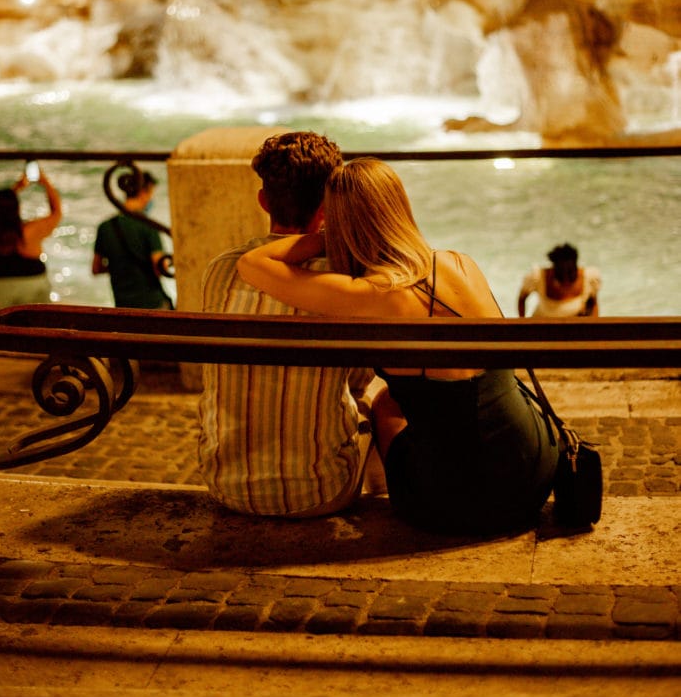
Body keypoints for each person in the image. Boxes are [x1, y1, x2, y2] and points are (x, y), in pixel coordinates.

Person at [237, 157, 559, 536]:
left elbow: (252, 264)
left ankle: (392, 494)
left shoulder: (369, 295)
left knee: (382, 407)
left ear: (338, 220)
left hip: (463, 502)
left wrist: (324, 238)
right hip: (533, 470)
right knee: (398, 398)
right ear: (399, 208)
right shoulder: (460, 263)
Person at [198, 131, 377, 518]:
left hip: (225, 486)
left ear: (263, 199)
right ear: (329, 207)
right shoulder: (343, 278)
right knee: (375, 402)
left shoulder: (219, 270)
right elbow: (360, 379)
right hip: (321, 492)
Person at [92, 170, 173, 309]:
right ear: (143, 193)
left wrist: (119, 265)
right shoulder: (148, 226)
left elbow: (96, 268)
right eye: (150, 194)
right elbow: (159, 267)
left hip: (123, 306)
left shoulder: (105, 227)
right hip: (152, 305)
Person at [0, 165, 62, 307]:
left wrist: (15, 188)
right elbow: (56, 211)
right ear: (18, 208)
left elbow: (2, 207)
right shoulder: (29, 232)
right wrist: (44, 182)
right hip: (33, 286)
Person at [518, 243, 601, 317]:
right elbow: (522, 299)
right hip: (540, 327)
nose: (566, 279)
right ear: (554, 269)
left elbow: (594, 304)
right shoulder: (538, 277)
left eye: (570, 274)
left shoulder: (589, 279)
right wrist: (522, 323)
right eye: (561, 275)